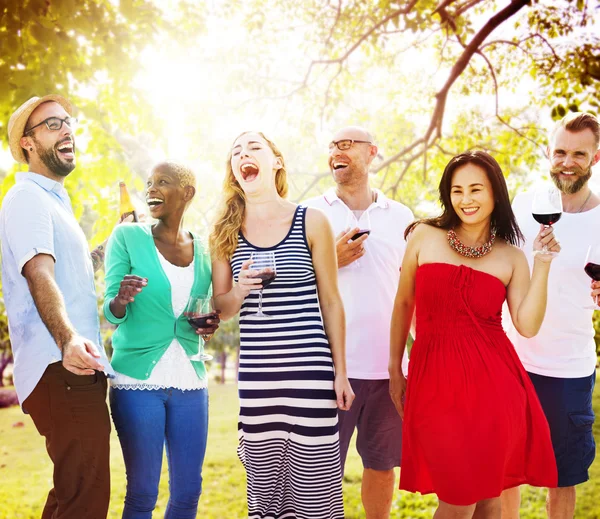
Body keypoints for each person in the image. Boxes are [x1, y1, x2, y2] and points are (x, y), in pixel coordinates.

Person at [389, 150, 559, 518]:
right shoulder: (423, 236)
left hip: (496, 390)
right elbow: (403, 304)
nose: (466, 200)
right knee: (456, 501)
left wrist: (542, 264)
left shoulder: (511, 257)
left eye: (476, 189)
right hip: (435, 383)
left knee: (489, 499)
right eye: (457, 190)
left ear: (495, 193)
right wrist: (394, 371)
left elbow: (527, 325)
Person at [210, 131, 354, 519]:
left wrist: (341, 372)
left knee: (316, 487)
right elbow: (221, 308)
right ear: (235, 173)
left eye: (253, 147)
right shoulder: (225, 231)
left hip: (311, 372)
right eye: (236, 151)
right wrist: (239, 290)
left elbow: (332, 300)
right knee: (264, 490)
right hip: (258, 377)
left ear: (275, 161)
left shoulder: (312, 220)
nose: (244, 154)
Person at [0, 95, 115, 519]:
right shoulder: (27, 197)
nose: (66, 129)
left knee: (72, 494)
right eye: (52, 124)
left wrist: (108, 245)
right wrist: (68, 341)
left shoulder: (54, 202)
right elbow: (39, 274)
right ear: (27, 144)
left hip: (69, 366)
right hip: (62, 366)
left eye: (67, 122)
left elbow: (70, 271)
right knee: (85, 500)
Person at [304, 126, 414, 518]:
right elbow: (288, 283)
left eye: (347, 144)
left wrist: (410, 361)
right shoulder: (310, 213)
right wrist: (329, 259)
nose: (337, 150)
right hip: (328, 368)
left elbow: (411, 291)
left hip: (388, 370)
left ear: (373, 153)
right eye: (332, 145)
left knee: (382, 465)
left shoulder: (401, 217)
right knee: (317, 470)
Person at [103, 162, 219, 519]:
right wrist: (121, 298)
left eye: (163, 183)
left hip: (190, 378)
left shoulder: (204, 248)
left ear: (187, 193)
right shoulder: (127, 237)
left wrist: (208, 322)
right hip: (137, 380)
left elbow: (205, 305)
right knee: (142, 491)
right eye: (149, 183)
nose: (152, 189)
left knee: (188, 490)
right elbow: (110, 311)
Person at [502, 112, 600, 519]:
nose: (567, 161)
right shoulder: (523, 204)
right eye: (560, 151)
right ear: (548, 152)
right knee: (503, 473)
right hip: (509, 359)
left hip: (567, 367)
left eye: (578, 153)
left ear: (595, 157)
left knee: (562, 478)